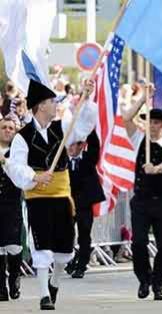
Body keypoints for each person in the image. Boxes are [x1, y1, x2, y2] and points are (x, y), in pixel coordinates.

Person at [5, 79, 96, 310]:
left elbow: (82, 126)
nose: (56, 105)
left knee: (64, 249)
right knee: (42, 245)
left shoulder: (61, 127)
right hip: (38, 197)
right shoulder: (22, 136)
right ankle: (44, 295)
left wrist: (85, 98)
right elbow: (14, 166)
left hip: (62, 195)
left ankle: (55, 281)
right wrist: (35, 177)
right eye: (51, 101)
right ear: (40, 105)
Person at [122, 86, 162, 302]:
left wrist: (155, 169)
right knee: (138, 242)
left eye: (156, 122)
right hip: (141, 200)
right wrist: (142, 99)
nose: (151, 126)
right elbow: (126, 119)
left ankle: (159, 284)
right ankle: (144, 279)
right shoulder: (140, 140)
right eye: (149, 122)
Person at [66, 131, 105, 279]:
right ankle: (69, 259)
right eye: (69, 144)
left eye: (75, 144)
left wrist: (87, 128)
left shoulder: (88, 159)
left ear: (82, 146)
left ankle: (82, 265)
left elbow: (95, 145)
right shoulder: (62, 160)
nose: (71, 148)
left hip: (84, 204)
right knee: (66, 234)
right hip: (68, 203)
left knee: (84, 234)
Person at [0, 118, 22, 302]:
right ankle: (0, 287)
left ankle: (15, 276)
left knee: (13, 246)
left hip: (11, 204)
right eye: (4, 127)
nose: (7, 130)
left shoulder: (18, 153)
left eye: (10, 128)